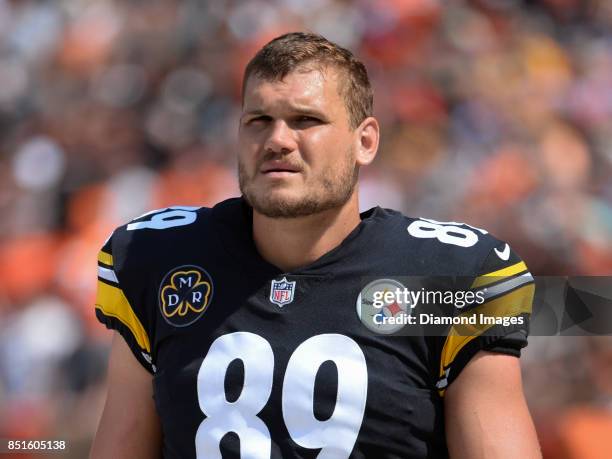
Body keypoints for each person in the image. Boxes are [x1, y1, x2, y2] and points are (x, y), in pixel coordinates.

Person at [90, 32, 541, 458]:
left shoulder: (442, 278)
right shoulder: (158, 258)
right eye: (259, 121)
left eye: (306, 120)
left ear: (364, 142)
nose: (277, 140)